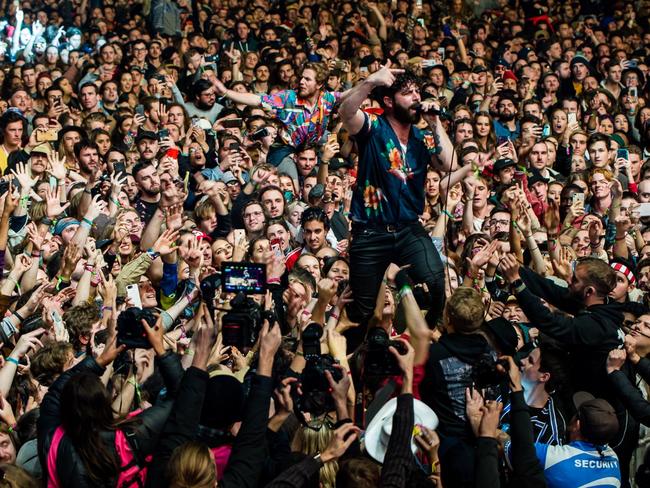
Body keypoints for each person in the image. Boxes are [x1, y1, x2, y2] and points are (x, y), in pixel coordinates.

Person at [338, 61, 454, 330]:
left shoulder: (421, 138)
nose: (416, 98)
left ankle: (423, 338)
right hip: (371, 232)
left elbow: (448, 163)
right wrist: (370, 82)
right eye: (409, 93)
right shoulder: (373, 128)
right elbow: (346, 111)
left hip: (408, 229)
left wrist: (435, 123)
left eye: (418, 92)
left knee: (436, 281)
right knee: (363, 309)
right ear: (389, 101)